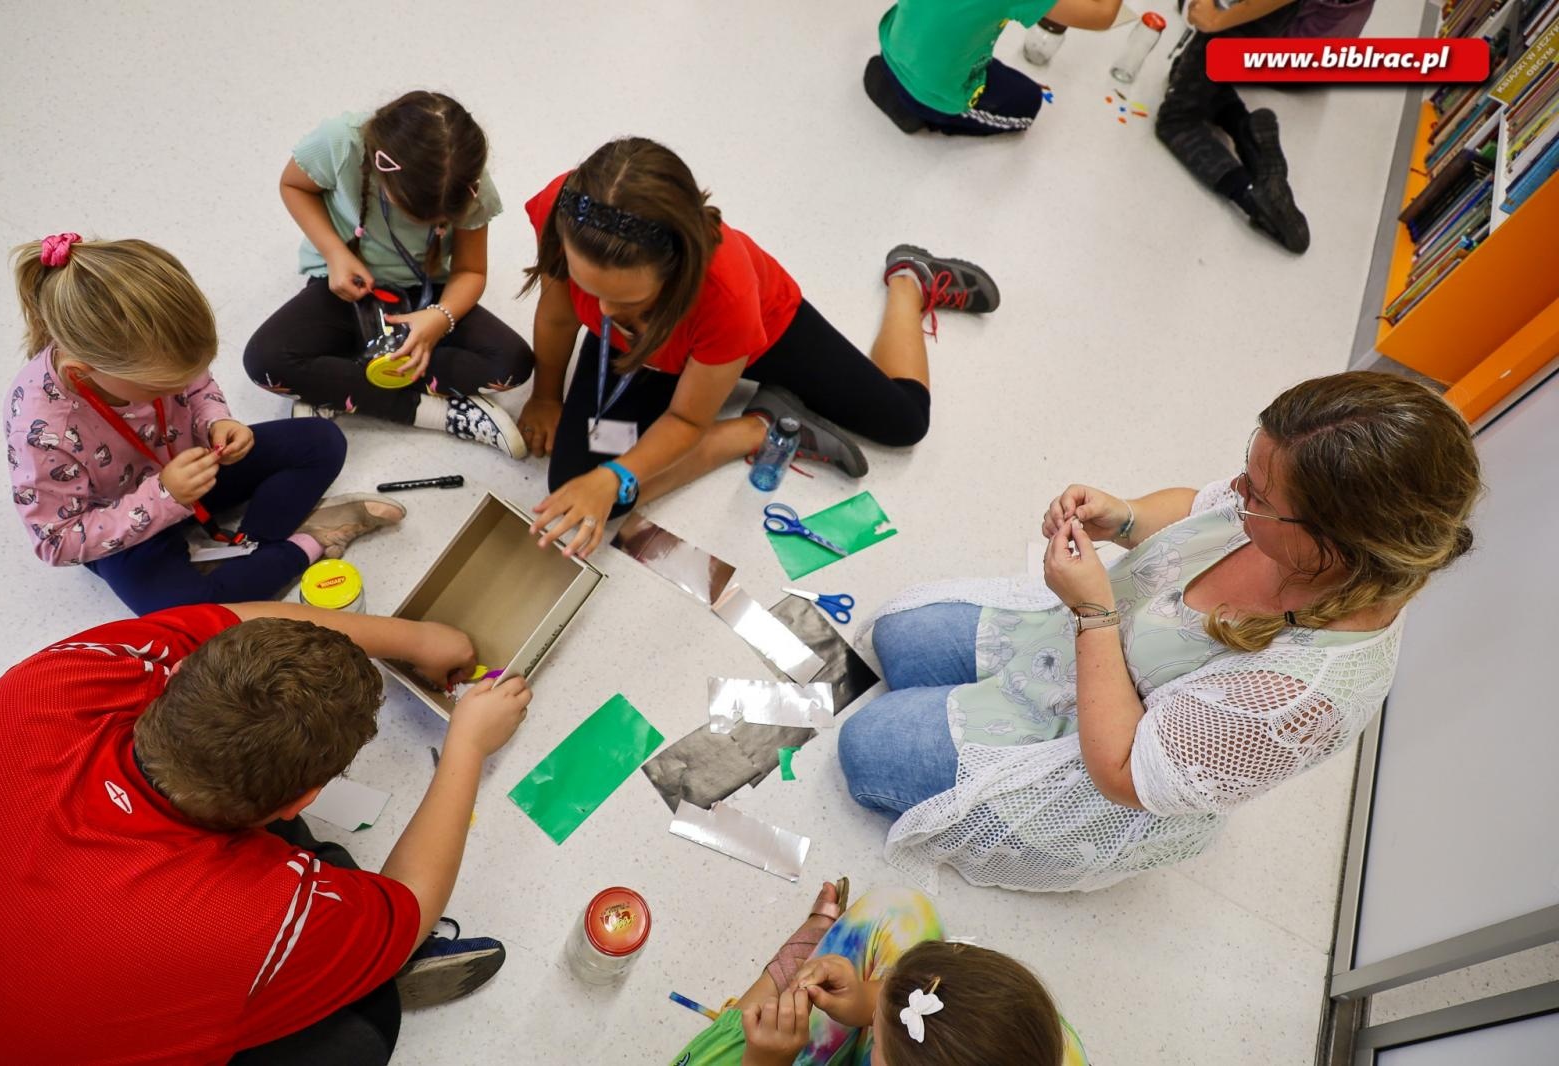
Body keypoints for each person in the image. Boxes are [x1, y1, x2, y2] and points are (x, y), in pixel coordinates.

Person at [839, 372, 1480, 892]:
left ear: (1330, 547)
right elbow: (1197, 511)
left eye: (1256, 495)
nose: (1236, 493)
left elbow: (1120, 770)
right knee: (897, 633)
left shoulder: (1304, 694)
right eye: (1246, 469)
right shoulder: (1288, 510)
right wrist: (1124, 518)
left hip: (1090, 751)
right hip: (1061, 648)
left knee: (865, 747)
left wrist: (1094, 615)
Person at [0, 600, 534, 1065]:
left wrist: (416, 638)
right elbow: (408, 909)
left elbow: (229, 619)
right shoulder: (249, 919)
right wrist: (468, 745)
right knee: (364, 1024)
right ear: (302, 799)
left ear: (179, 672)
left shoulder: (74, 670)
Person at [517, 137, 999, 559]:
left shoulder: (727, 295)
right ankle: (760, 426)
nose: (599, 311)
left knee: (904, 422)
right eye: (588, 287)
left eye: (624, 299)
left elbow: (686, 419)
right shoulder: (569, 216)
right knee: (572, 494)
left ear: (677, 269)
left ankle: (910, 280)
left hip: (761, 328)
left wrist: (616, 477)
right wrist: (545, 397)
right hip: (647, 353)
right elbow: (559, 317)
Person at [4, 234, 402, 615]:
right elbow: (56, 542)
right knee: (185, 614)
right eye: (163, 386)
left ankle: (248, 551)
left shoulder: (152, 349)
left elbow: (198, 384)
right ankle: (306, 543)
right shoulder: (41, 431)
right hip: (123, 523)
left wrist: (218, 421)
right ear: (85, 371)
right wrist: (164, 495)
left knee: (322, 440)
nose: (182, 386)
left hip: (197, 468)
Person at [244, 90, 532, 457]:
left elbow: (471, 270)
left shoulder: (471, 186)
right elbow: (294, 186)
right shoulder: (341, 141)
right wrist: (334, 254)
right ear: (382, 168)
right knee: (264, 361)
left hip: (428, 295)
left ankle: (335, 384)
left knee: (512, 364)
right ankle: (440, 413)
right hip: (347, 287)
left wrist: (440, 318)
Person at [668, 881, 1087, 1065]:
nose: (872, 1036)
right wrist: (867, 1001)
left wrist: (765, 1062)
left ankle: (773, 984)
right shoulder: (1040, 1040)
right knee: (897, 907)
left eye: (878, 1046)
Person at [1156, 0, 1375, 254]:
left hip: (1245, 13)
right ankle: (1250, 138)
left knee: (1176, 121)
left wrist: (1215, 19)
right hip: (1270, 19)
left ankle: (1251, 197)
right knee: (1194, 76)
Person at [863, 0, 1123, 136]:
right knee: (1028, 103)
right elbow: (1103, 16)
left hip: (895, 43)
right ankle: (925, 112)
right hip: (935, 88)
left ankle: (895, 77)